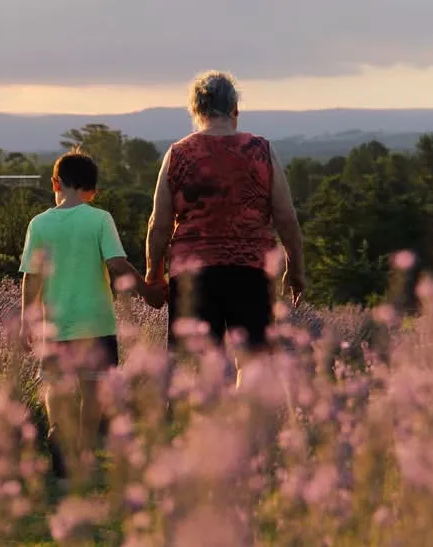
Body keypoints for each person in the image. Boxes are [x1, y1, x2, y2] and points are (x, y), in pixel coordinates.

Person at [19, 150, 164, 485]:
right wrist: (148, 292)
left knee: (55, 385)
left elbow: (32, 277)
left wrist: (28, 318)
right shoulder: (100, 219)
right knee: (93, 390)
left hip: (55, 325)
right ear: (93, 191)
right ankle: (83, 452)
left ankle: (57, 430)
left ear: (55, 183)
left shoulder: (38, 224)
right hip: (96, 322)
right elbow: (117, 265)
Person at [145, 70, 305, 360]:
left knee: (193, 365)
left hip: (193, 274)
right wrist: (295, 267)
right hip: (252, 270)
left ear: (196, 110)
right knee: (255, 362)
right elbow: (286, 217)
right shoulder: (261, 151)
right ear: (235, 109)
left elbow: (160, 223)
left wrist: (154, 274)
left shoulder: (178, 154)